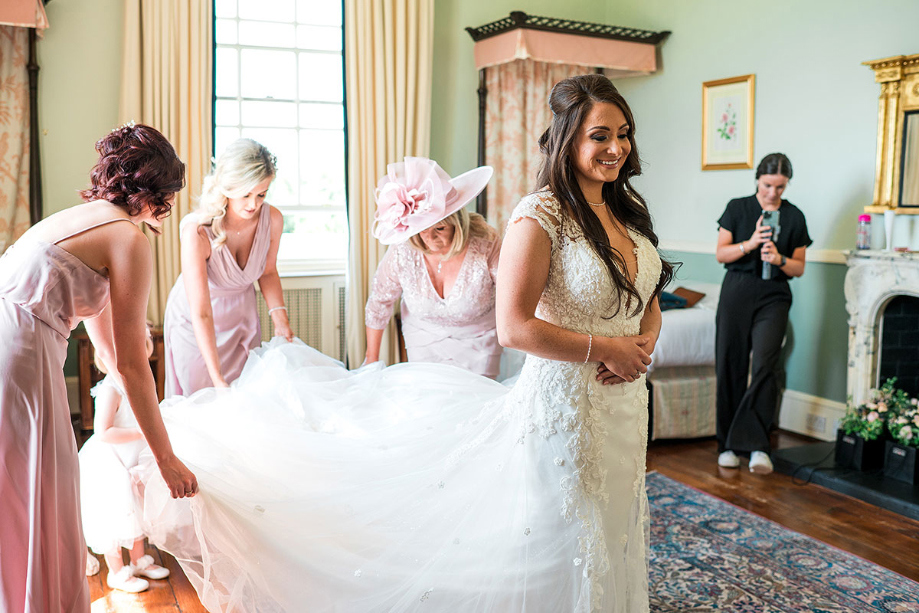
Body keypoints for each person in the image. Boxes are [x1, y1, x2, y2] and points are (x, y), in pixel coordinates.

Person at [139, 73, 671, 613]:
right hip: (567, 397)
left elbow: (648, 289)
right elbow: (511, 324)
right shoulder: (540, 216)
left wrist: (644, 339)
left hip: (624, 396)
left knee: (616, 512)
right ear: (567, 139)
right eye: (599, 135)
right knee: (563, 519)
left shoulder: (628, 209)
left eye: (623, 133)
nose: (616, 147)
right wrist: (604, 348)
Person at [0, 123, 197, 613]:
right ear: (156, 193)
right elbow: (132, 362)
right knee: (40, 485)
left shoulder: (81, 219)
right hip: (21, 354)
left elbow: (110, 353)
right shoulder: (128, 239)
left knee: (13, 485)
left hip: (11, 339)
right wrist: (166, 458)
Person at [163, 138, 292, 398]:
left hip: (242, 319)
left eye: (261, 194)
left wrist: (281, 321)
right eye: (245, 194)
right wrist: (216, 376)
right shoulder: (198, 231)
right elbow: (200, 311)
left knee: (246, 400)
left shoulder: (273, 219)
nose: (253, 205)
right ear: (227, 186)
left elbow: (267, 272)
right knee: (204, 400)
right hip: (194, 324)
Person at [714, 153, 811, 474]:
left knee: (767, 365)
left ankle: (757, 446)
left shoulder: (795, 217)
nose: (773, 193)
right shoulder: (737, 208)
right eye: (768, 185)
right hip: (737, 290)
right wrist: (752, 243)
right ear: (758, 179)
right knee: (731, 363)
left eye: (780, 187)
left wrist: (779, 258)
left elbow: (798, 267)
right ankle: (727, 443)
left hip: (775, 295)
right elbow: (721, 253)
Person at [364, 157, 502, 377]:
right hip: (422, 342)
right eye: (420, 229)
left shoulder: (487, 244)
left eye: (439, 228)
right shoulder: (403, 250)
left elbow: (514, 294)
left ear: (457, 223)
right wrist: (371, 359)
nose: (428, 237)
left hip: (478, 346)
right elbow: (379, 303)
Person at [79, 326, 171, 593]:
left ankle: (139, 559)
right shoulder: (111, 389)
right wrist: (141, 432)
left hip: (133, 460)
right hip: (111, 463)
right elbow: (103, 431)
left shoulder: (140, 383)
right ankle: (117, 571)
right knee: (116, 515)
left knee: (137, 511)